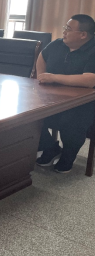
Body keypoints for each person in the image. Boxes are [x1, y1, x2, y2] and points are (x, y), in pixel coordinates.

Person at [36, 14, 95, 173]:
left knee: (71, 122)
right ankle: (50, 148)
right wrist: (41, 75)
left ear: (83, 34)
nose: (64, 32)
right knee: (27, 115)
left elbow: (90, 80)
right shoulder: (58, 44)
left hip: (84, 103)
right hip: (53, 97)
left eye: (68, 29)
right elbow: (42, 56)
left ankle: (68, 156)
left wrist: (54, 77)